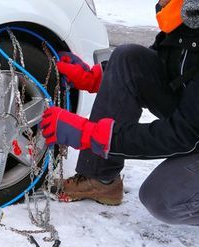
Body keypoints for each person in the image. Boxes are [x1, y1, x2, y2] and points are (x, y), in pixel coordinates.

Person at [40, 0, 199, 225]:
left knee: (163, 198)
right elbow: (159, 62)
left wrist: (92, 135)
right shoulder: (187, 14)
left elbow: (184, 136)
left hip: (191, 130)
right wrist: (98, 77)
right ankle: (101, 180)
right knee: (127, 58)